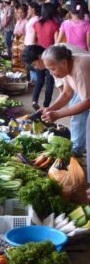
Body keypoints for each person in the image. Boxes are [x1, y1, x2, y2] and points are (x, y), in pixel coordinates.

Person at [40, 45, 90, 183]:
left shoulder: (80, 68)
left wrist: (58, 114)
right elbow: (67, 93)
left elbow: (87, 103)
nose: (51, 73)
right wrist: (50, 109)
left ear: (63, 62)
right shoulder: (68, 67)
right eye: (48, 69)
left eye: (52, 68)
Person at [55, 1, 90, 156]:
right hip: (75, 59)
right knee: (78, 109)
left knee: (80, 109)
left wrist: (57, 114)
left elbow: (58, 43)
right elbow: (89, 46)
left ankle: (77, 148)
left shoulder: (66, 24)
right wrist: (52, 109)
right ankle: (78, 146)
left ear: (69, 11)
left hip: (76, 63)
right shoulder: (87, 24)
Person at [30, 3, 60, 108]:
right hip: (50, 56)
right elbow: (57, 43)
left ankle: (34, 101)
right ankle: (46, 105)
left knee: (39, 80)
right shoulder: (55, 24)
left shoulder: (37, 23)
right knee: (50, 82)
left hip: (39, 55)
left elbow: (33, 40)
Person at [21, 45, 55, 109]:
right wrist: (34, 101)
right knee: (39, 81)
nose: (35, 68)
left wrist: (48, 108)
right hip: (42, 55)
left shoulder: (53, 62)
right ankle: (35, 102)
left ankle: (46, 105)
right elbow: (39, 82)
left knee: (49, 83)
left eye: (34, 64)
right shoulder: (38, 60)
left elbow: (66, 93)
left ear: (40, 57)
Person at [24, 2, 41, 83]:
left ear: (33, 9)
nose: (27, 10)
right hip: (28, 42)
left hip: (32, 43)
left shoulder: (36, 19)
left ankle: (39, 76)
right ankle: (33, 79)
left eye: (29, 9)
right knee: (29, 61)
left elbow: (37, 32)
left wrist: (34, 41)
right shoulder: (32, 18)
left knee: (30, 62)